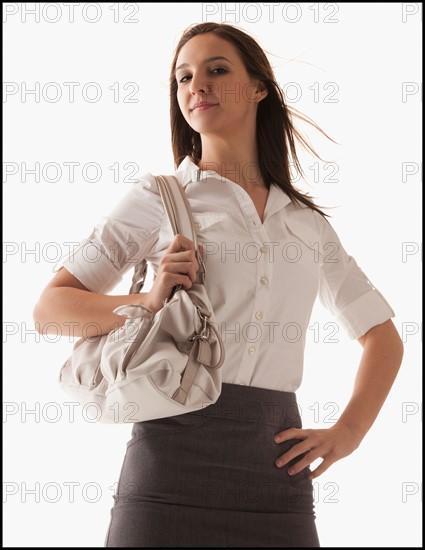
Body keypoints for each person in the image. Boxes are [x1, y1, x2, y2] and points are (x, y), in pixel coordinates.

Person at [33, 22, 404, 548]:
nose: (196, 85)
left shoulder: (306, 223)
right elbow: (50, 309)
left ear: (259, 88)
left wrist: (349, 432)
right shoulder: (158, 197)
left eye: (217, 70)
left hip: (277, 470)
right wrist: (145, 300)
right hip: (167, 466)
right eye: (184, 76)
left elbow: (382, 336)